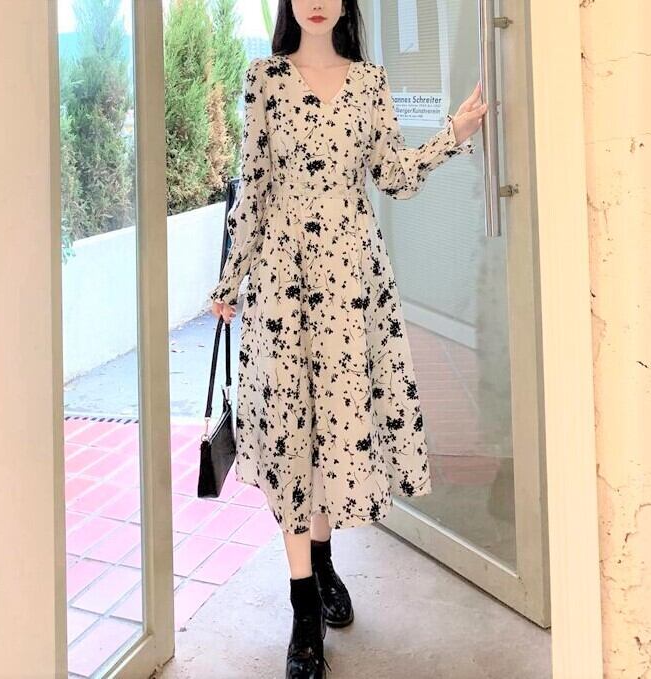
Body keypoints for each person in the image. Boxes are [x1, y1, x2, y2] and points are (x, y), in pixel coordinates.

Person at [209, 1, 487, 676]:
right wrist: (229, 280)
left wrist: (452, 133)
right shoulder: (263, 78)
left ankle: (324, 559)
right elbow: (254, 190)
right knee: (290, 433)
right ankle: (303, 606)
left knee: (333, 429)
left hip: (351, 286)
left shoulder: (369, 82)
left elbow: (392, 176)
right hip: (281, 284)